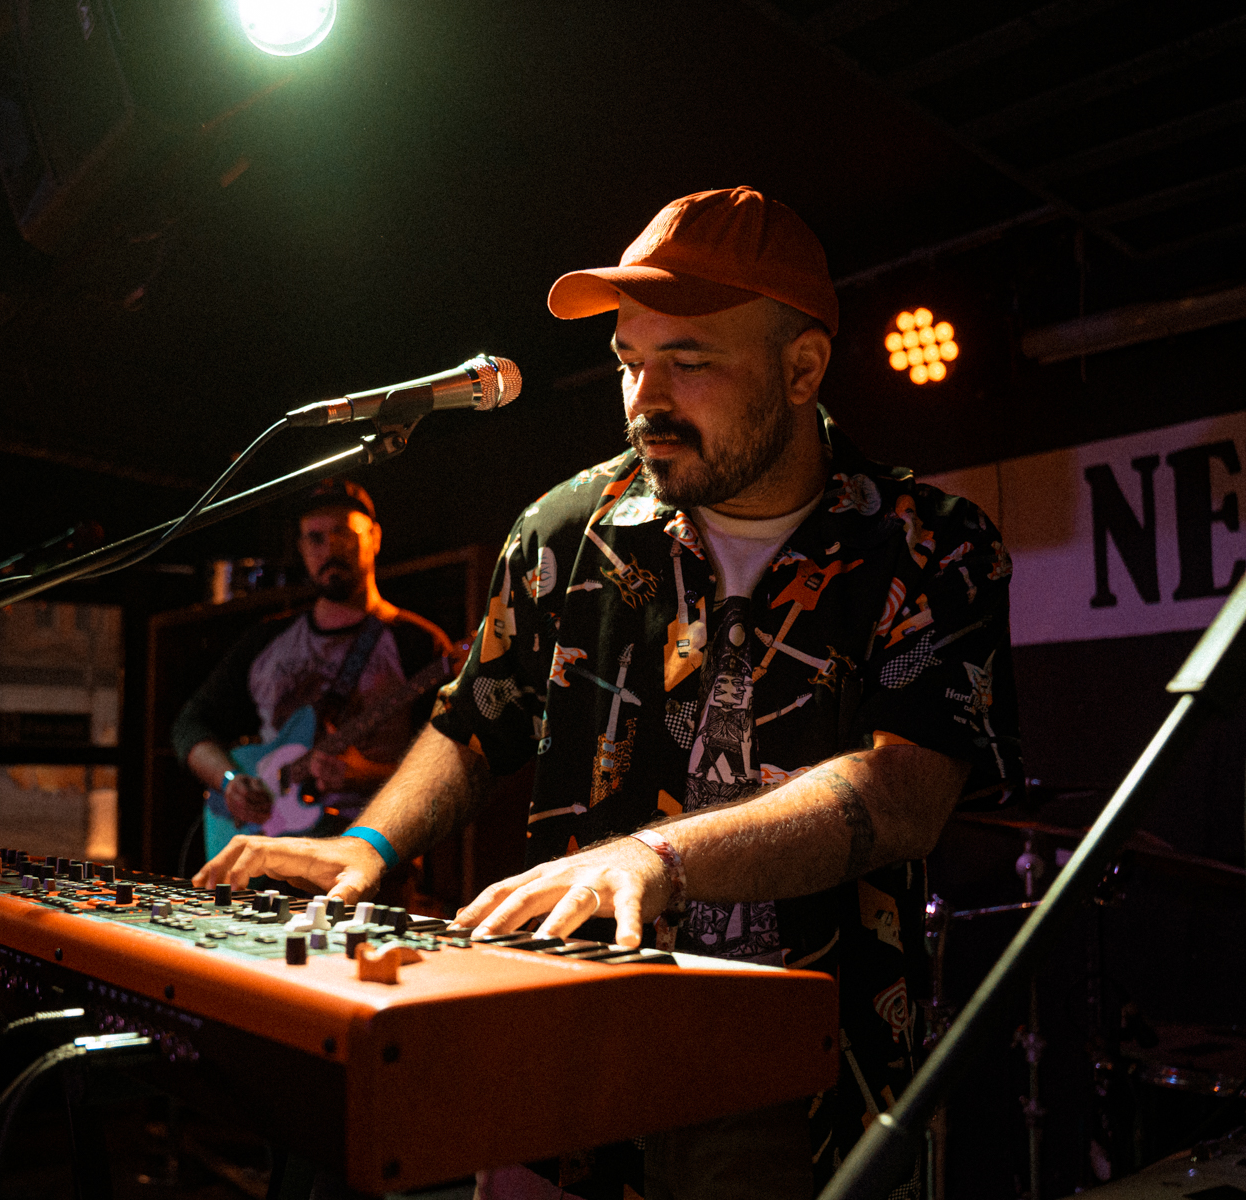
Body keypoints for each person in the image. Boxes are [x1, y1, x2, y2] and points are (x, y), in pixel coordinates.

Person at [196, 187, 1020, 1197]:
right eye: (630, 360)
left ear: (802, 368)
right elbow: (475, 718)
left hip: (790, 1073)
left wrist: (657, 857)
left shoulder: (930, 546)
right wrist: (368, 845)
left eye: (689, 361)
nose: (644, 399)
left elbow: (906, 794)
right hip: (563, 1039)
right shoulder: (562, 528)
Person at [174, 480, 454, 862]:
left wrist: (363, 775)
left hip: (370, 856)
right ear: (302, 547)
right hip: (263, 850)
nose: (329, 548)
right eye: (315, 538)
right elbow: (190, 725)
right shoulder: (265, 641)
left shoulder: (418, 643)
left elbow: (448, 767)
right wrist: (230, 781)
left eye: (343, 533)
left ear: (374, 538)